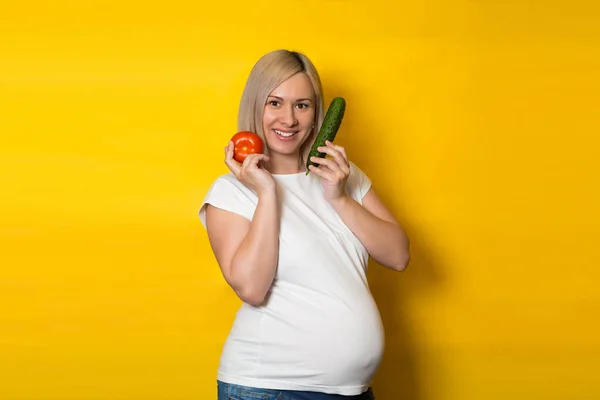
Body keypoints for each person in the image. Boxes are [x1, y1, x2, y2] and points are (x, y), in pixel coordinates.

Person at [198, 49, 410, 400]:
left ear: (316, 114)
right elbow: (251, 288)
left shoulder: (342, 174)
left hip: (352, 392)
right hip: (270, 388)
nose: (289, 119)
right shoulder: (231, 191)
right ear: (256, 107)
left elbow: (399, 255)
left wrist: (339, 197)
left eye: (302, 105)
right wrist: (267, 192)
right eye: (275, 103)